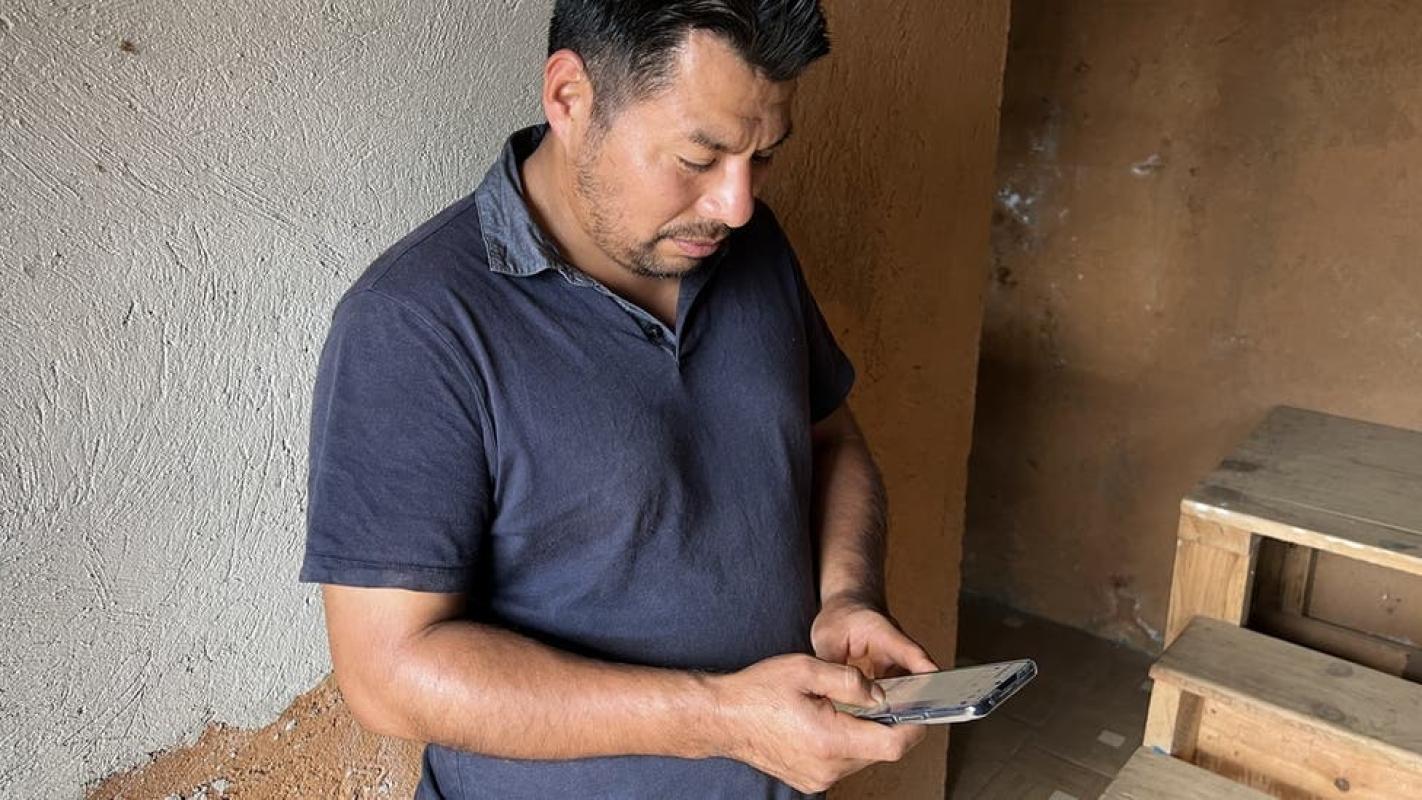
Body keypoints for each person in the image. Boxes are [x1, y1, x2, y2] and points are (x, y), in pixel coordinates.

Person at [300, 1, 937, 797]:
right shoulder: (416, 323)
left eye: (764, 156)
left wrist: (846, 597)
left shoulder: (753, 244)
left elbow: (830, 439)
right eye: (698, 158)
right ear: (570, 97)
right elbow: (387, 676)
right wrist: (722, 719)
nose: (736, 204)